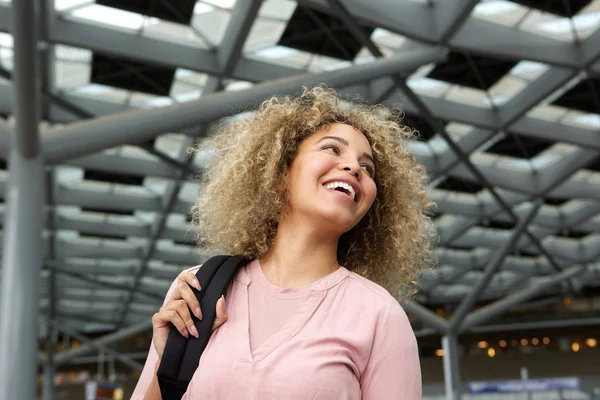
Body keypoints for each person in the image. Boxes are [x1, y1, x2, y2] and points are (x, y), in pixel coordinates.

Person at [131, 86, 435, 400]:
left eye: (367, 167)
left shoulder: (378, 314)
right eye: (332, 149)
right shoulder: (198, 291)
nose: (354, 167)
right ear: (280, 174)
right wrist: (166, 362)